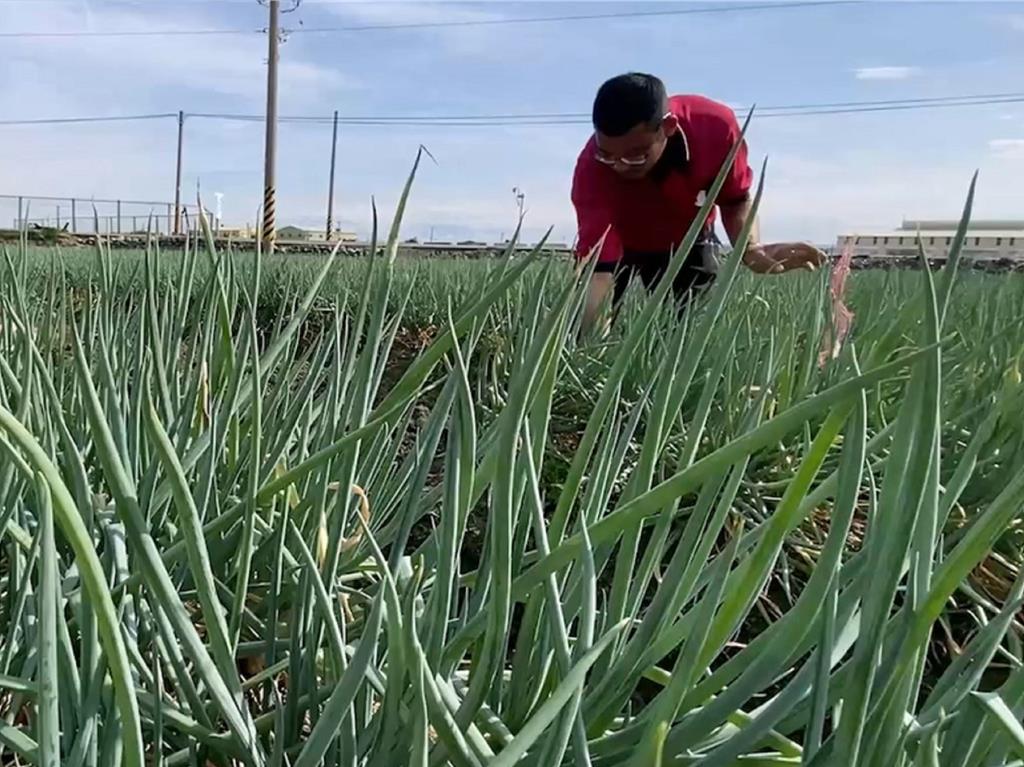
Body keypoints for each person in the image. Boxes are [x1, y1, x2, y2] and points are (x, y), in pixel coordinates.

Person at [570, 72, 825, 333]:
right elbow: (599, 270)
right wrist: (589, 346)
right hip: (623, 241)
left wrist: (748, 248)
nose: (620, 165)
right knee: (582, 323)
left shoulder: (714, 127)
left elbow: (735, 198)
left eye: (637, 155)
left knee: (685, 334)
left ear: (667, 127)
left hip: (687, 239)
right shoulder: (592, 168)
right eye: (608, 154)